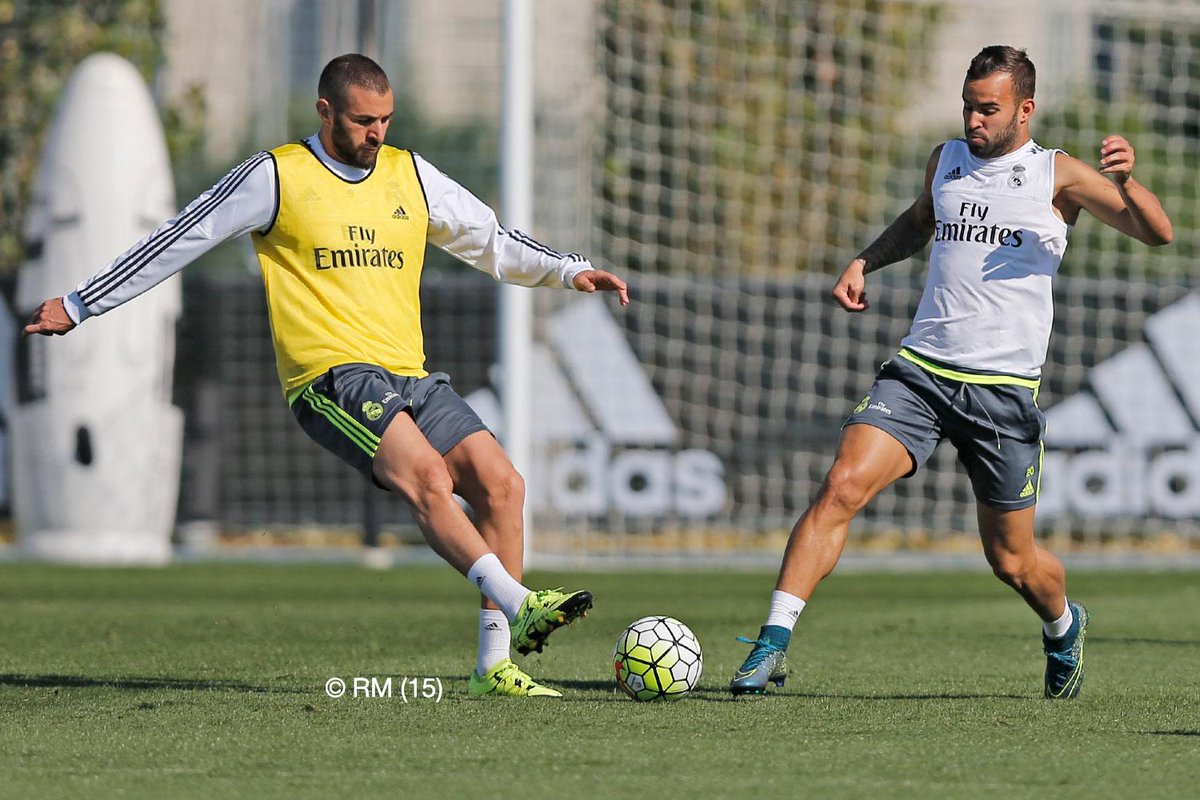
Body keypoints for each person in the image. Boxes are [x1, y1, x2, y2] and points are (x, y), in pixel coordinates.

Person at [23, 53, 631, 698]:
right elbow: (178, 238)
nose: (377, 134)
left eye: (386, 120)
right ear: (325, 111)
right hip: (330, 377)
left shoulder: (410, 174)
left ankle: (494, 667)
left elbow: (492, 240)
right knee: (427, 477)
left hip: (410, 373)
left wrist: (570, 270)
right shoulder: (275, 175)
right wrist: (82, 303)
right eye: (364, 120)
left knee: (503, 486)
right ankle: (521, 603)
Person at [729, 45, 1172, 699]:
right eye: (968, 106)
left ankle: (1063, 625)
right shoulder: (946, 160)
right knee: (841, 487)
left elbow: (1157, 233)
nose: (973, 120)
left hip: (1002, 392)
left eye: (988, 109)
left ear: (1025, 109)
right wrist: (864, 261)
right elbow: (917, 223)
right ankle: (772, 644)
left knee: (1012, 561)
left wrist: (1128, 183)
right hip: (921, 372)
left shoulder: (1057, 175)